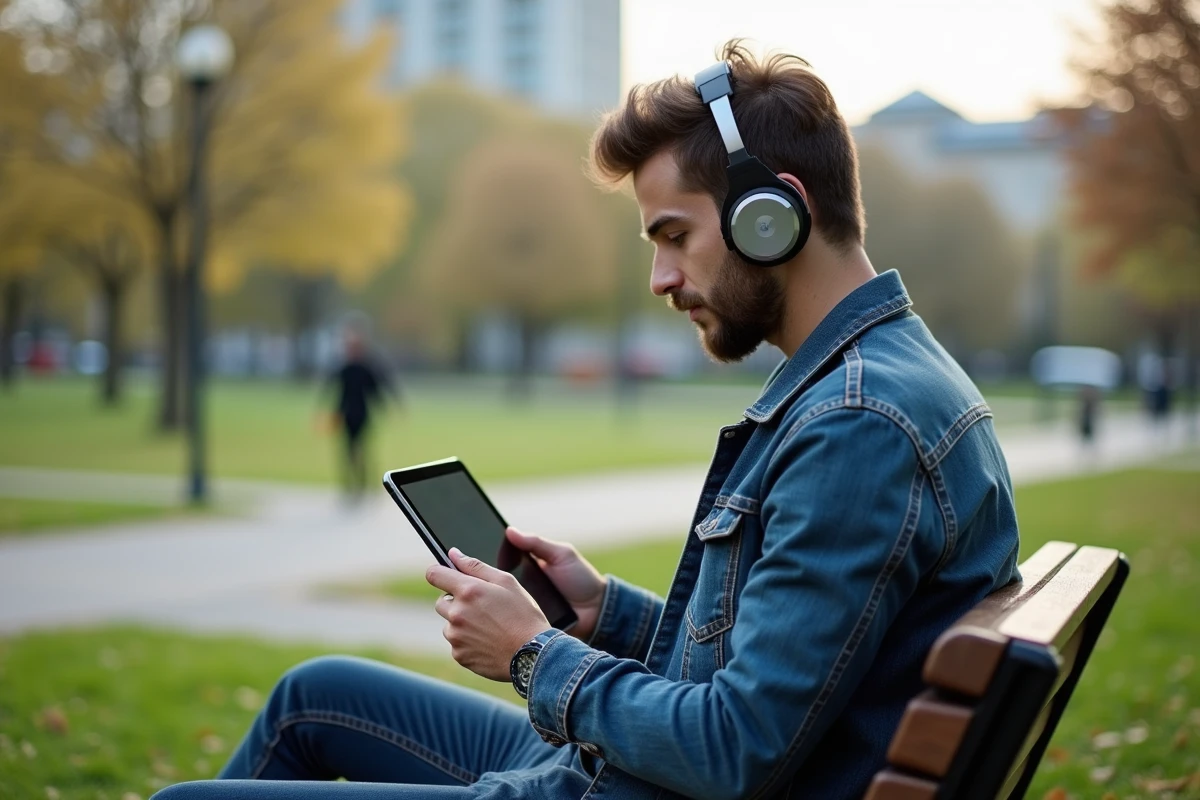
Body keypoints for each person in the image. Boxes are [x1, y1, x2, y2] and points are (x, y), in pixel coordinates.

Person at [155, 41, 1020, 800]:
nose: (661, 278)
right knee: (313, 696)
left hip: (632, 788)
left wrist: (532, 653)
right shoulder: (886, 379)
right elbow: (777, 680)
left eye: (674, 235)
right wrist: (607, 614)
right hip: (628, 774)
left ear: (772, 214)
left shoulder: (858, 424)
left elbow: (734, 747)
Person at [323, 324, 396, 502]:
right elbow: (333, 388)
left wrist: (386, 406)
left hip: (362, 415)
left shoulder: (366, 368)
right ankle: (350, 487)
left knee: (363, 451)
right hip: (346, 415)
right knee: (347, 453)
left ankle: (363, 486)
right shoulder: (345, 367)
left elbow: (377, 389)